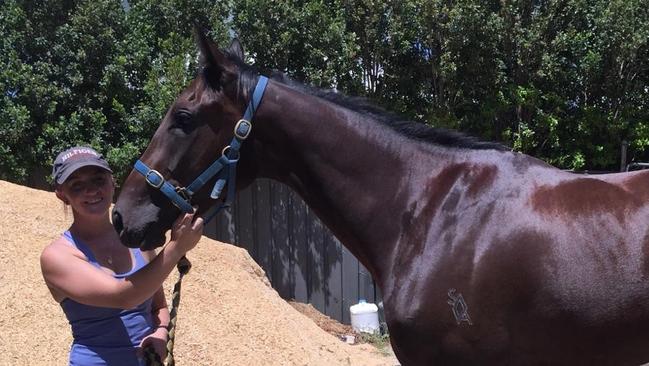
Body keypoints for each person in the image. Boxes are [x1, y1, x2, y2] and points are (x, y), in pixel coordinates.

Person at [40, 146, 204, 366]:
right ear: (62, 195)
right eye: (77, 185)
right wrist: (176, 248)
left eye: (98, 180)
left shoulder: (134, 238)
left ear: (112, 181)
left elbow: (158, 307)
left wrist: (161, 331)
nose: (91, 191)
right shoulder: (57, 256)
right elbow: (123, 297)